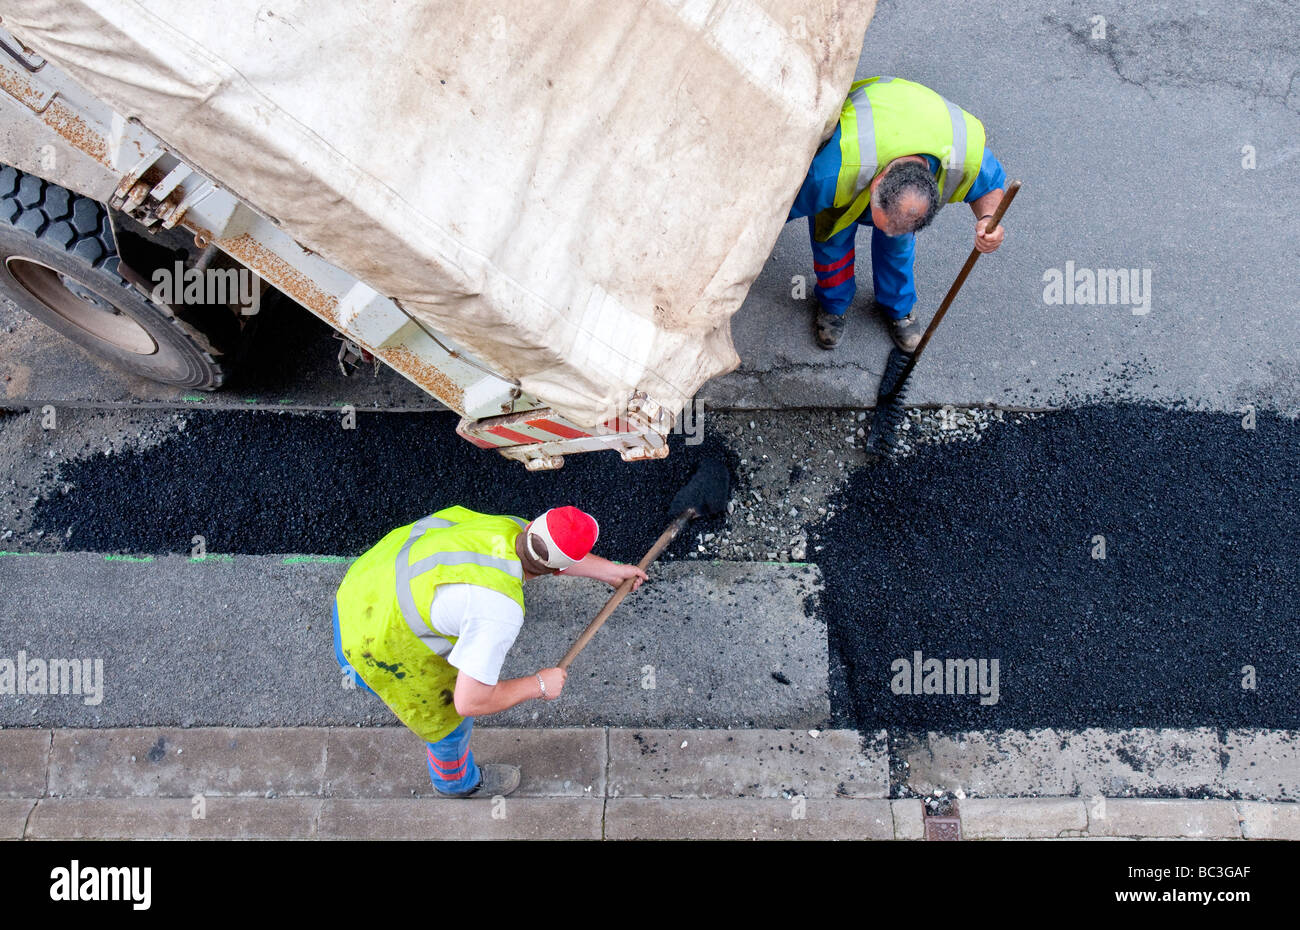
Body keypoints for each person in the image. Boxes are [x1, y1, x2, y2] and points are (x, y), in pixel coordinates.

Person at [332, 504, 646, 798]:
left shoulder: (503, 527)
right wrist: (539, 684)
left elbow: (546, 553)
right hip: (375, 648)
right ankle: (456, 783)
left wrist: (609, 571)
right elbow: (470, 701)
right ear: (559, 568)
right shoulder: (498, 609)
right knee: (450, 724)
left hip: (359, 595)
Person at [787, 76, 1008, 350]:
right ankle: (833, 305)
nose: (883, 231)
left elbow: (990, 186)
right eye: (881, 221)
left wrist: (988, 220)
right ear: (876, 182)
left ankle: (898, 307)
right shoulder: (830, 173)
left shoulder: (962, 155)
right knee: (831, 242)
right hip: (871, 119)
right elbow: (774, 214)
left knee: (898, 247)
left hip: (921, 120)